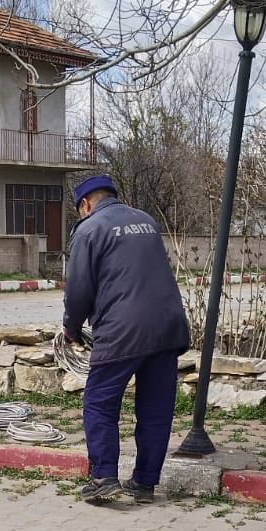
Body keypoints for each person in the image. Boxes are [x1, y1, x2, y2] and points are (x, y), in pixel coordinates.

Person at [62, 174, 191, 505]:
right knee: (155, 409)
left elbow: (78, 289)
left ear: (85, 204)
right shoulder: (146, 220)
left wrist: (71, 328)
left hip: (122, 330)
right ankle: (144, 483)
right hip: (167, 328)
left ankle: (104, 477)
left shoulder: (89, 229)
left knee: (99, 402)